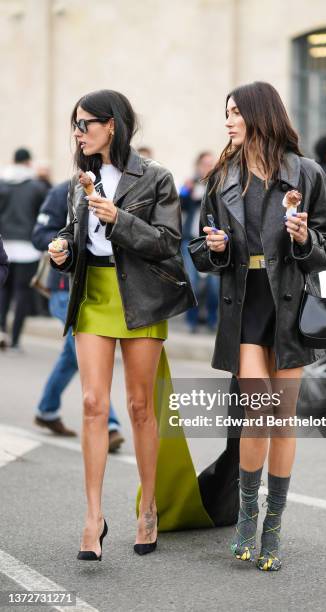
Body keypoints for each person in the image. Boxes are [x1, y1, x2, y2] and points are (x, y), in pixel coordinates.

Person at [189, 81, 326, 571]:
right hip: (245, 306)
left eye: (235, 112)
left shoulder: (307, 173)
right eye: (226, 112)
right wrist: (214, 249)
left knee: (281, 420)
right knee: (257, 413)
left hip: (290, 305)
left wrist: (303, 238)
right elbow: (201, 248)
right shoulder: (222, 177)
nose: (229, 120)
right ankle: (246, 517)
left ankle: (273, 526)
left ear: (259, 115)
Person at [48, 89, 196, 560]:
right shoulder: (79, 181)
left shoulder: (156, 178)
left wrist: (120, 220)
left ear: (111, 124)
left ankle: (148, 508)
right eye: (74, 124)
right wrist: (63, 250)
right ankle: (93, 518)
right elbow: (78, 240)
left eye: (84, 123)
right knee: (93, 403)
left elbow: (169, 243)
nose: (78, 132)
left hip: (142, 301)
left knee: (138, 407)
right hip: (94, 298)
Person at [32, 181, 124, 450]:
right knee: (86, 356)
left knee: (71, 356)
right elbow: (40, 234)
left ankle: (46, 410)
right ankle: (109, 424)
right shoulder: (64, 191)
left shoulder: (120, 189)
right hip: (66, 291)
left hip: (102, 291)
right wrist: (62, 242)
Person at [0, 148, 48, 350]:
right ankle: (16, 340)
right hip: (28, 247)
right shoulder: (37, 187)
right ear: (28, 162)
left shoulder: (2, 184)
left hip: (5, 244)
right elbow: (42, 216)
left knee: (3, 291)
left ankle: (1, 331)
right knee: (22, 293)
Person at [180, 152, 219, 332]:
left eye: (211, 163)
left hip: (212, 242)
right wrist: (188, 191)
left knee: (214, 286)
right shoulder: (190, 184)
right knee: (192, 283)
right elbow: (180, 202)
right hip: (190, 240)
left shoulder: (220, 185)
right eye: (204, 163)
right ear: (198, 165)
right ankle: (192, 321)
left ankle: (213, 321)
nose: (207, 167)